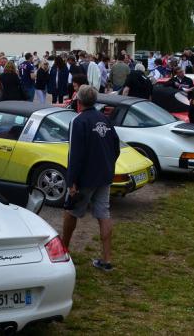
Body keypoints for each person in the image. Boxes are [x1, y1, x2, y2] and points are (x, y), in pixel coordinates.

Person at [61, 85, 120, 272]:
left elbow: (75, 154)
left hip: (85, 178)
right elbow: (116, 146)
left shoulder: (78, 122)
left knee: (70, 211)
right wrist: (108, 166)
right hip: (104, 175)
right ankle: (107, 259)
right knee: (104, 214)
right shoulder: (105, 119)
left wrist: (71, 181)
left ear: (78, 102)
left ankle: (63, 252)